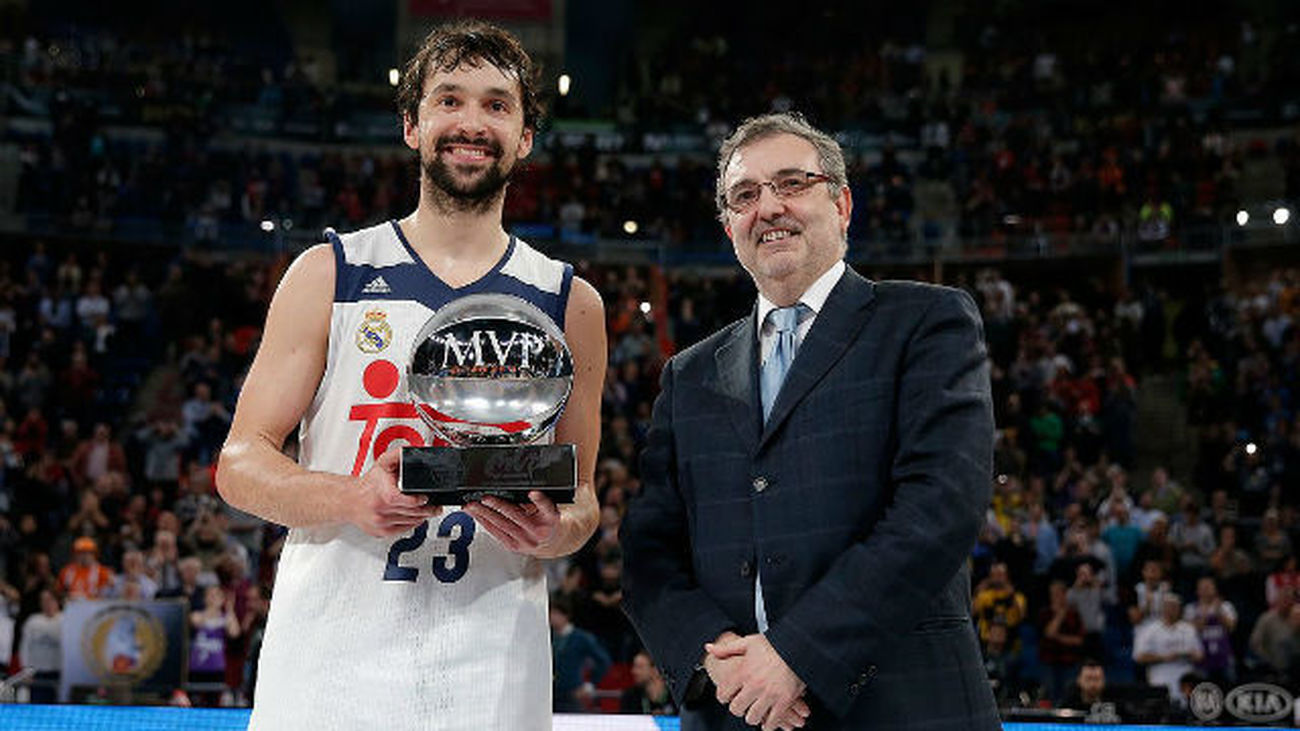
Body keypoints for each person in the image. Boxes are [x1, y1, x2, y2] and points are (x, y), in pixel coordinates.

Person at [215, 19, 605, 731]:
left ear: (524, 138)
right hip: (329, 660)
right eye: (450, 99)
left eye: (497, 104)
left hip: (494, 661)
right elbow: (240, 464)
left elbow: (582, 500)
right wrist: (348, 495)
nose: (471, 122)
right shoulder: (329, 272)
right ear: (412, 124)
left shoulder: (569, 301)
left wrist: (554, 530)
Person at [621, 112, 998, 731]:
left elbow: (940, 507)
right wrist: (718, 659)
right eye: (745, 195)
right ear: (729, 226)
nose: (768, 207)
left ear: (842, 203)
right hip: (735, 710)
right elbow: (648, 550)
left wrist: (796, 653)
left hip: (903, 707)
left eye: (792, 184)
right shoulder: (687, 375)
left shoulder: (927, 322)